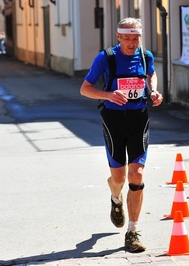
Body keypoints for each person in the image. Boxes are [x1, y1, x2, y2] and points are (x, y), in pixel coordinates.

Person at [79, 17, 163, 252]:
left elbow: (150, 75)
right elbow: (85, 89)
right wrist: (108, 95)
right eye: (126, 38)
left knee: (136, 177)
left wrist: (153, 90)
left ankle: (133, 232)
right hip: (114, 121)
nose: (131, 42)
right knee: (119, 178)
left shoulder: (145, 55)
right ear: (118, 37)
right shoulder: (106, 58)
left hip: (139, 118)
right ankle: (116, 198)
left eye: (135, 38)